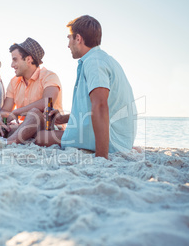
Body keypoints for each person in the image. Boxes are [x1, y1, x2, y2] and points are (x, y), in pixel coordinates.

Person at [35, 15, 137, 159]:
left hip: (111, 141)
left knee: (41, 138)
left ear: (78, 38)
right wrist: (63, 119)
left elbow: (100, 106)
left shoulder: (94, 62)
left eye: (69, 38)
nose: (68, 45)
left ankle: (104, 150)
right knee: (46, 135)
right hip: (118, 137)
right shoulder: (102, 59)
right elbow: (95, 107)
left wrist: (101, 157)